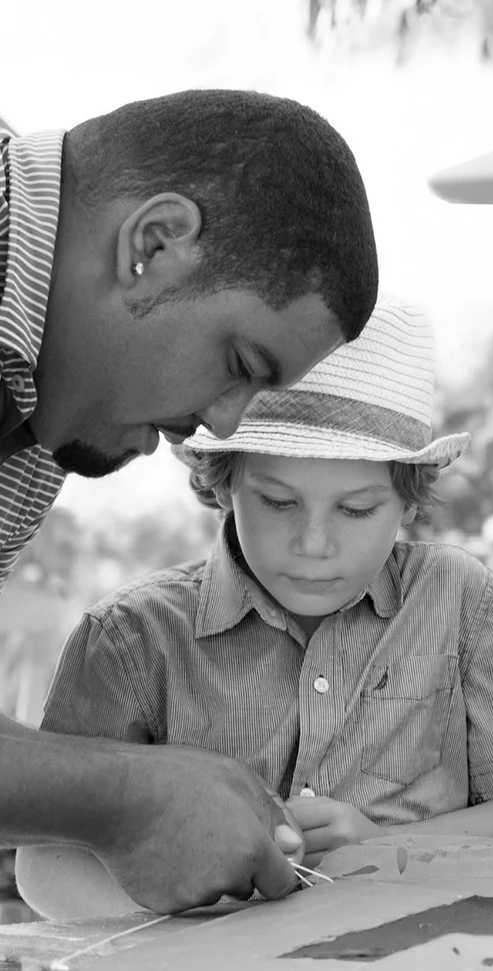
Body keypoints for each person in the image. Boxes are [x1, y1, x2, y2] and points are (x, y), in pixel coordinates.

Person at [16, 293, 493, 919]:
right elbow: (46, 867)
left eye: (356, 510)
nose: (313, 544)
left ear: (408, 500)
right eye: (277, 502)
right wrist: (216, 923)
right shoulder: (130, 637)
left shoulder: (457, 598)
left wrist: (383, 848)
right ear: (224, 482)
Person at [0, 88, 378, 912]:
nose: (218, 423)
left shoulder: (41, 419)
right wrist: (123, 796)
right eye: (241, 364)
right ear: (155, 244)